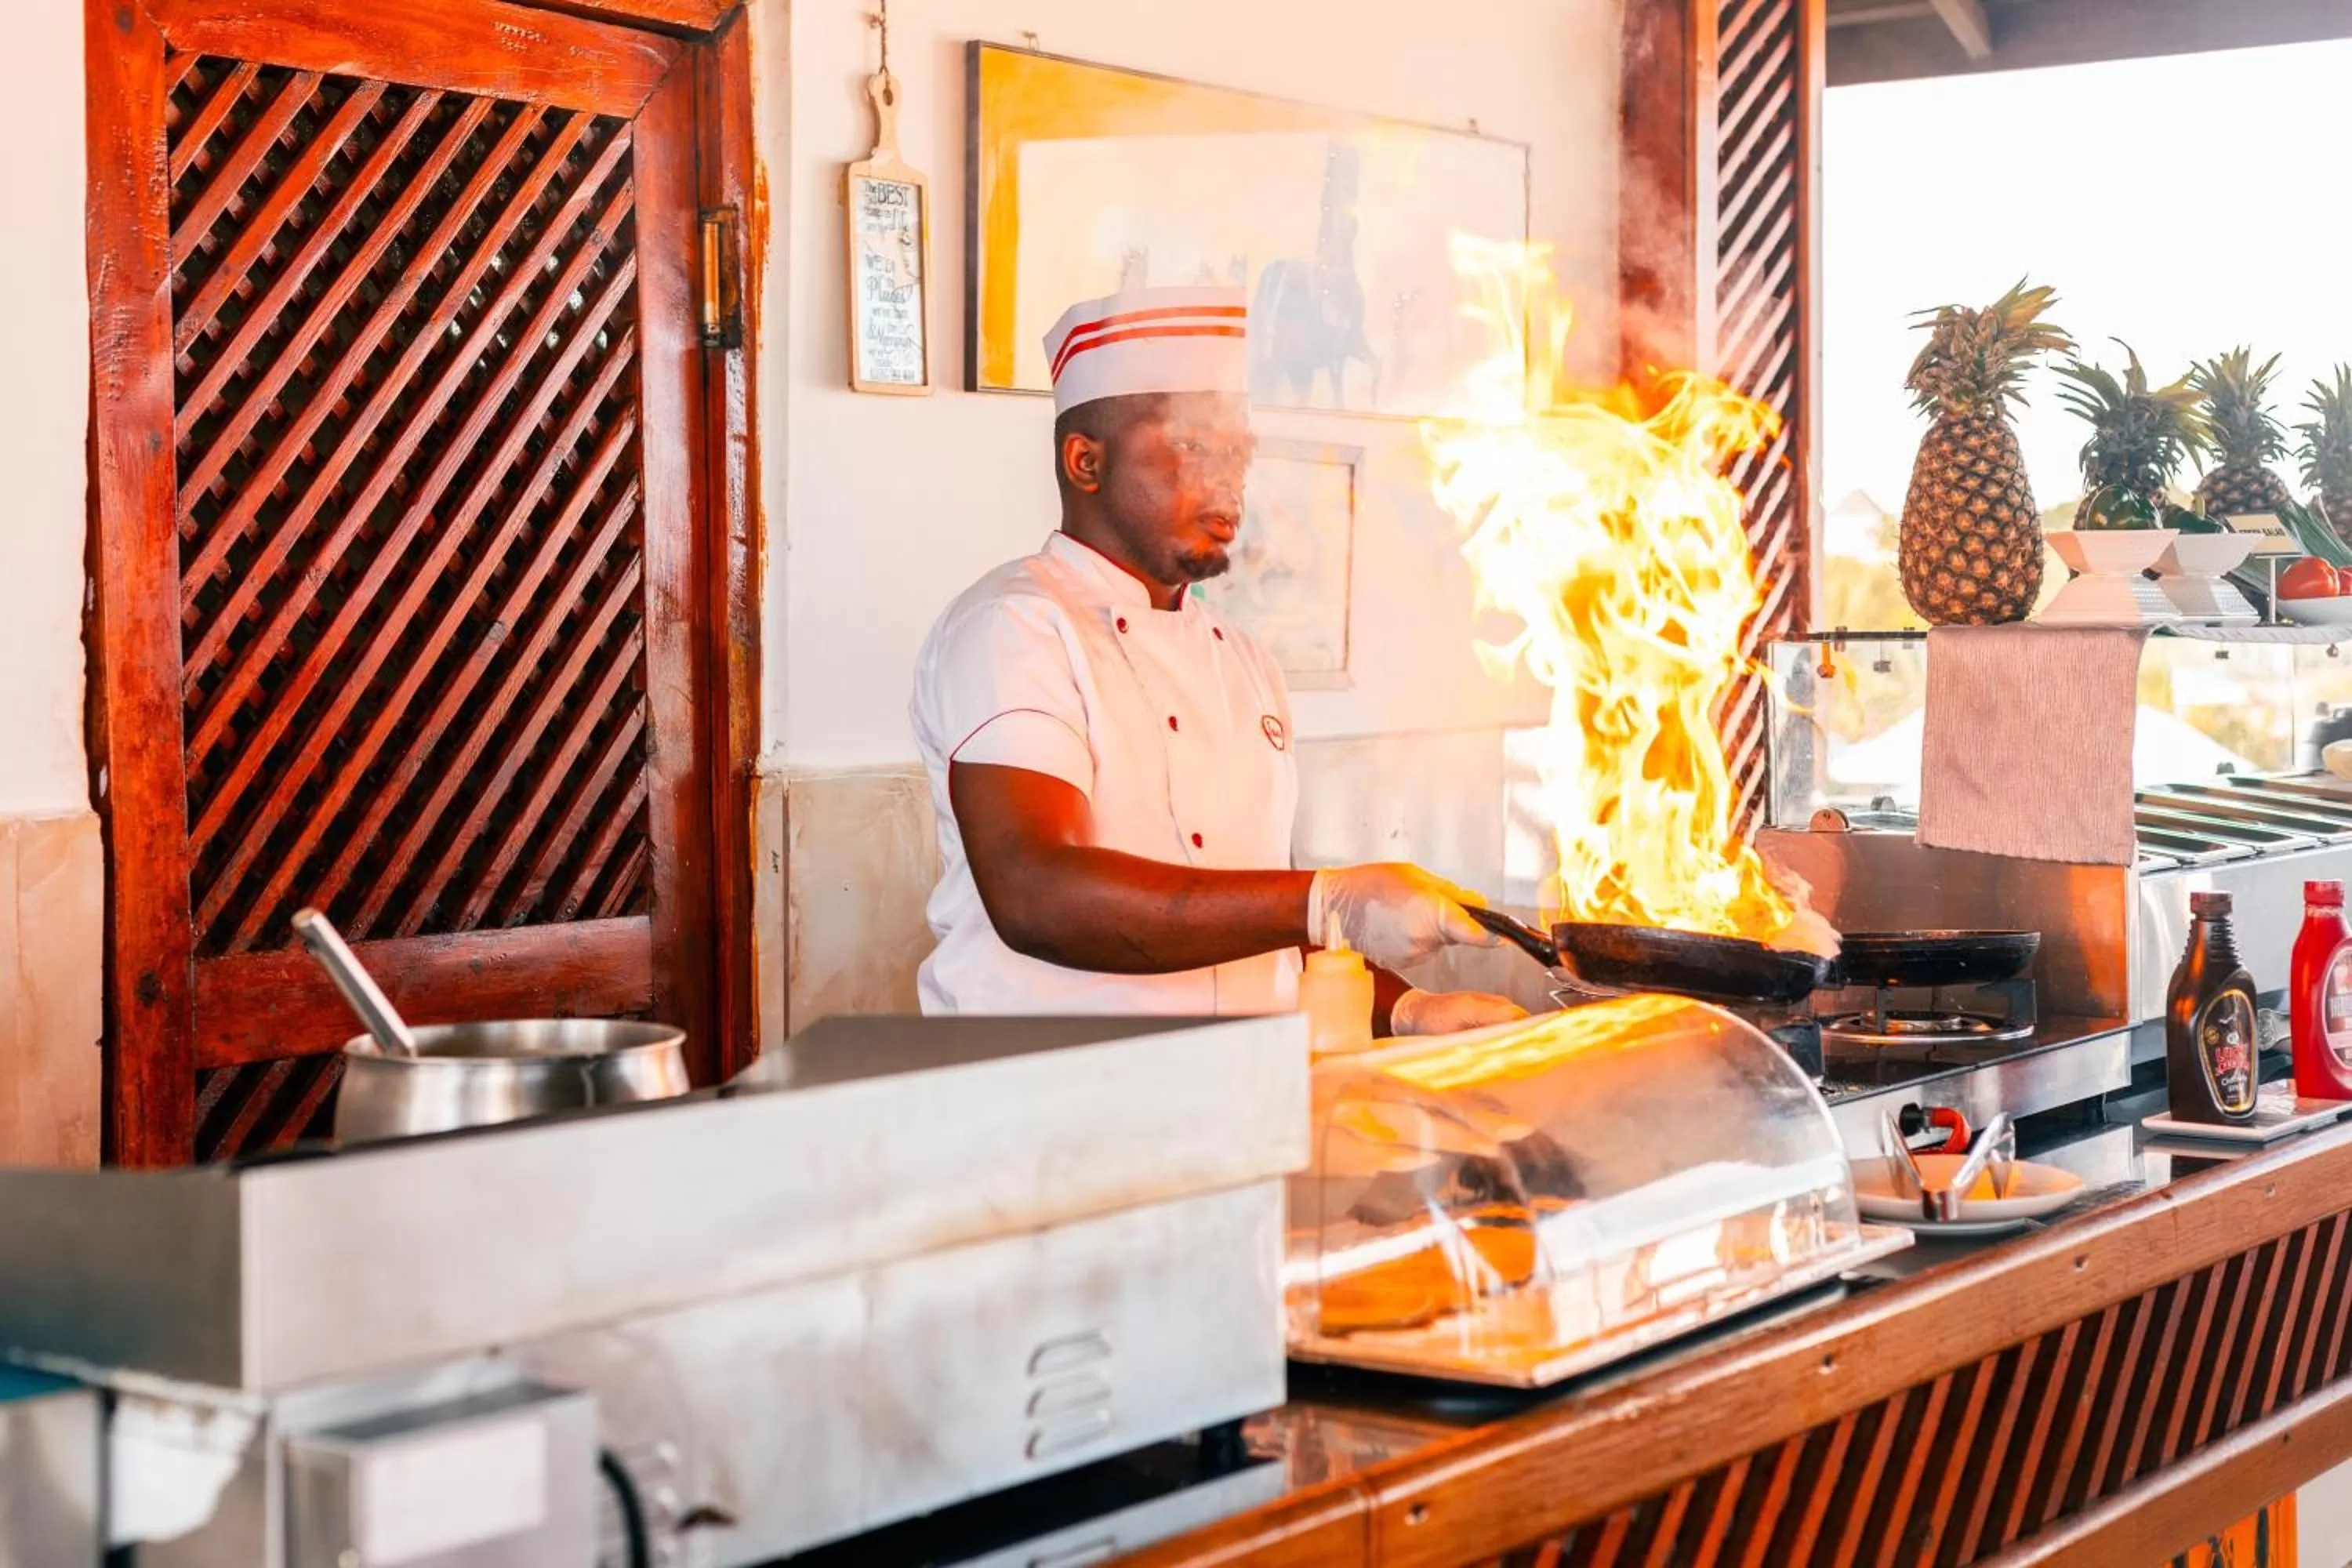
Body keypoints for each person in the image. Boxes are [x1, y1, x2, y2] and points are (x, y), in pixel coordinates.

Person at [908, 285, 1524, 1034]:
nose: (1228, 477)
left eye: (1239, 451)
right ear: (1085, 460)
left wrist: (1407, 1012)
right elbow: (1035, 893)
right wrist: (1324, 900)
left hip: (1234, 1099)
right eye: (1193, 445)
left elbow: (1258, 925)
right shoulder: (1017, 626)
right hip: (1050, 1098)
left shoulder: (1245, 663)